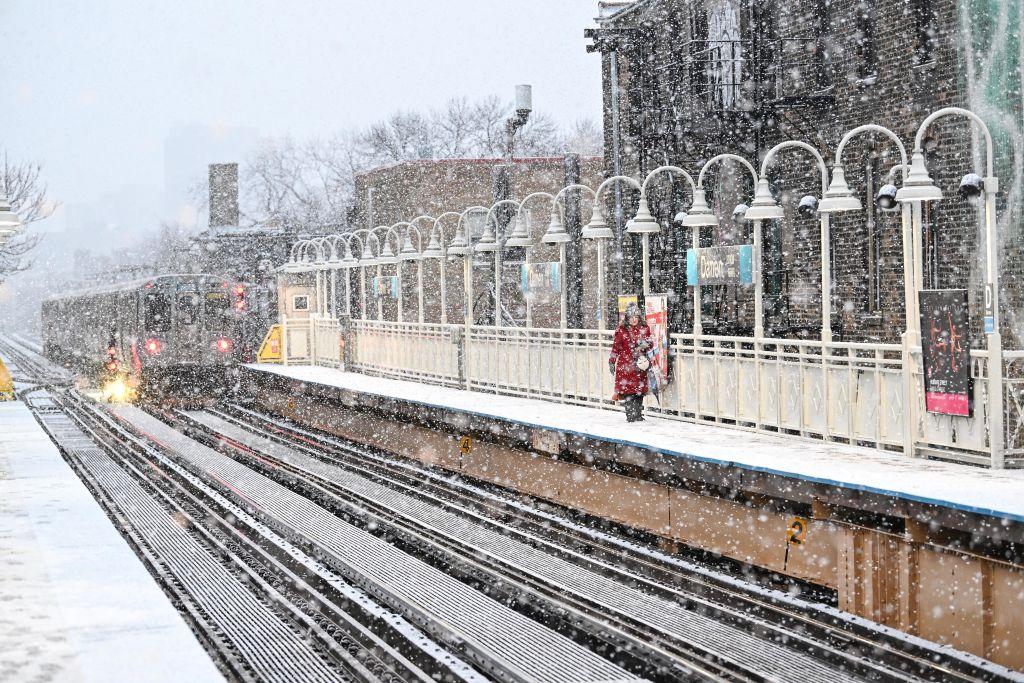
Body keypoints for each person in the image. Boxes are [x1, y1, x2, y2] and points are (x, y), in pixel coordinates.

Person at [609, 303, 653, 422]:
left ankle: (638, 414)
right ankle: (630, 415)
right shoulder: (621, 330)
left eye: (636, 317)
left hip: (640, 365)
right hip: (626, 366)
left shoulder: (644, 328)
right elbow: (615, 348)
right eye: (632, 317)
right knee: (628, 392)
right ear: (627, 318)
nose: (634, 319)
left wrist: (645, 344)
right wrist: (612, 361)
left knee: (639, 392)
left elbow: (650, 344)